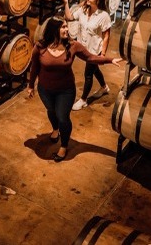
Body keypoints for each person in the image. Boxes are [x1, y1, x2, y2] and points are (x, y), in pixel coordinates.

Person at [26, 17, 122, 162]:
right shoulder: (40, 47)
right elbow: (34, 68)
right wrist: (30, 85)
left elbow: (90, 58)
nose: (66, 30)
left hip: (65, 90)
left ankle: (64, 146)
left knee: (63, 117)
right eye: (62, 27)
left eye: (66, 27)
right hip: (45, 89)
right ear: (54, 30)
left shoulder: (73, 46)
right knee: (51, 111)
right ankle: (55, 130)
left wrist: (109, 60)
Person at [60, 0, 113, 111]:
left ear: (98, 0)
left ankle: (83, 100)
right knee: (94, 69)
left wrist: (103, 54)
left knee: (88, 74)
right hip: (84, 48)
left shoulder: (103, 16)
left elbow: (106, 36)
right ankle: (104, 87)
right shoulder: (83, 10)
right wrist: (66, 2)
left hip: (95, 50)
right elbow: (69, 17)